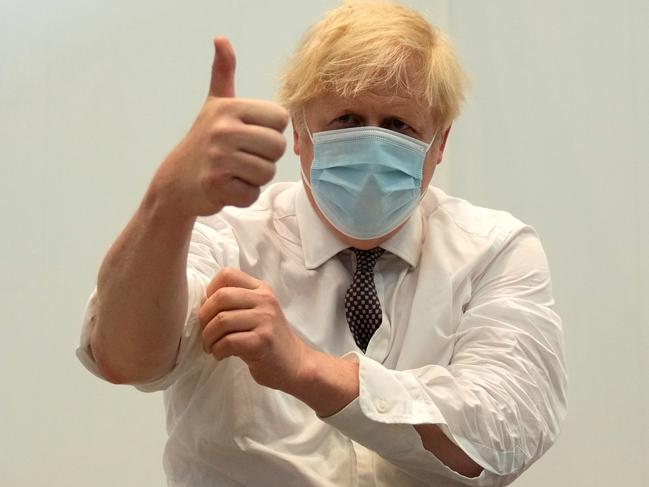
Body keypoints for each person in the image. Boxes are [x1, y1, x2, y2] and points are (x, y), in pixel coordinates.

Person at [76, 1, 567, 486]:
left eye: (399, 126)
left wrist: (306, 370)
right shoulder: (226, 234)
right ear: (299, 131)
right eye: (347, 119)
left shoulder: (495, 252)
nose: (373, 145)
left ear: (439, 144)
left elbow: (503, 436)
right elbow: (123, 358)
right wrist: (168, 202)